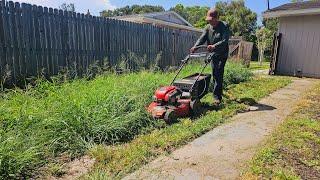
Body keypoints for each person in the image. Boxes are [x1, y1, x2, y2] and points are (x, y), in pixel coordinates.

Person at [190, 8, 229, 105]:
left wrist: (214, 46)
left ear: (216, 18)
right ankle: (216, 92)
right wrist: (195, 47)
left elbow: (225, 41)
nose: (209, 21)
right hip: (213, 54)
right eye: (208, 20)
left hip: (222, 54)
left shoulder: (224, 26)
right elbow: (202, 38)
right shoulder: (208, 28)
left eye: (211, 19)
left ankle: (217, 98)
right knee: (214, 73)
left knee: (218, 73)